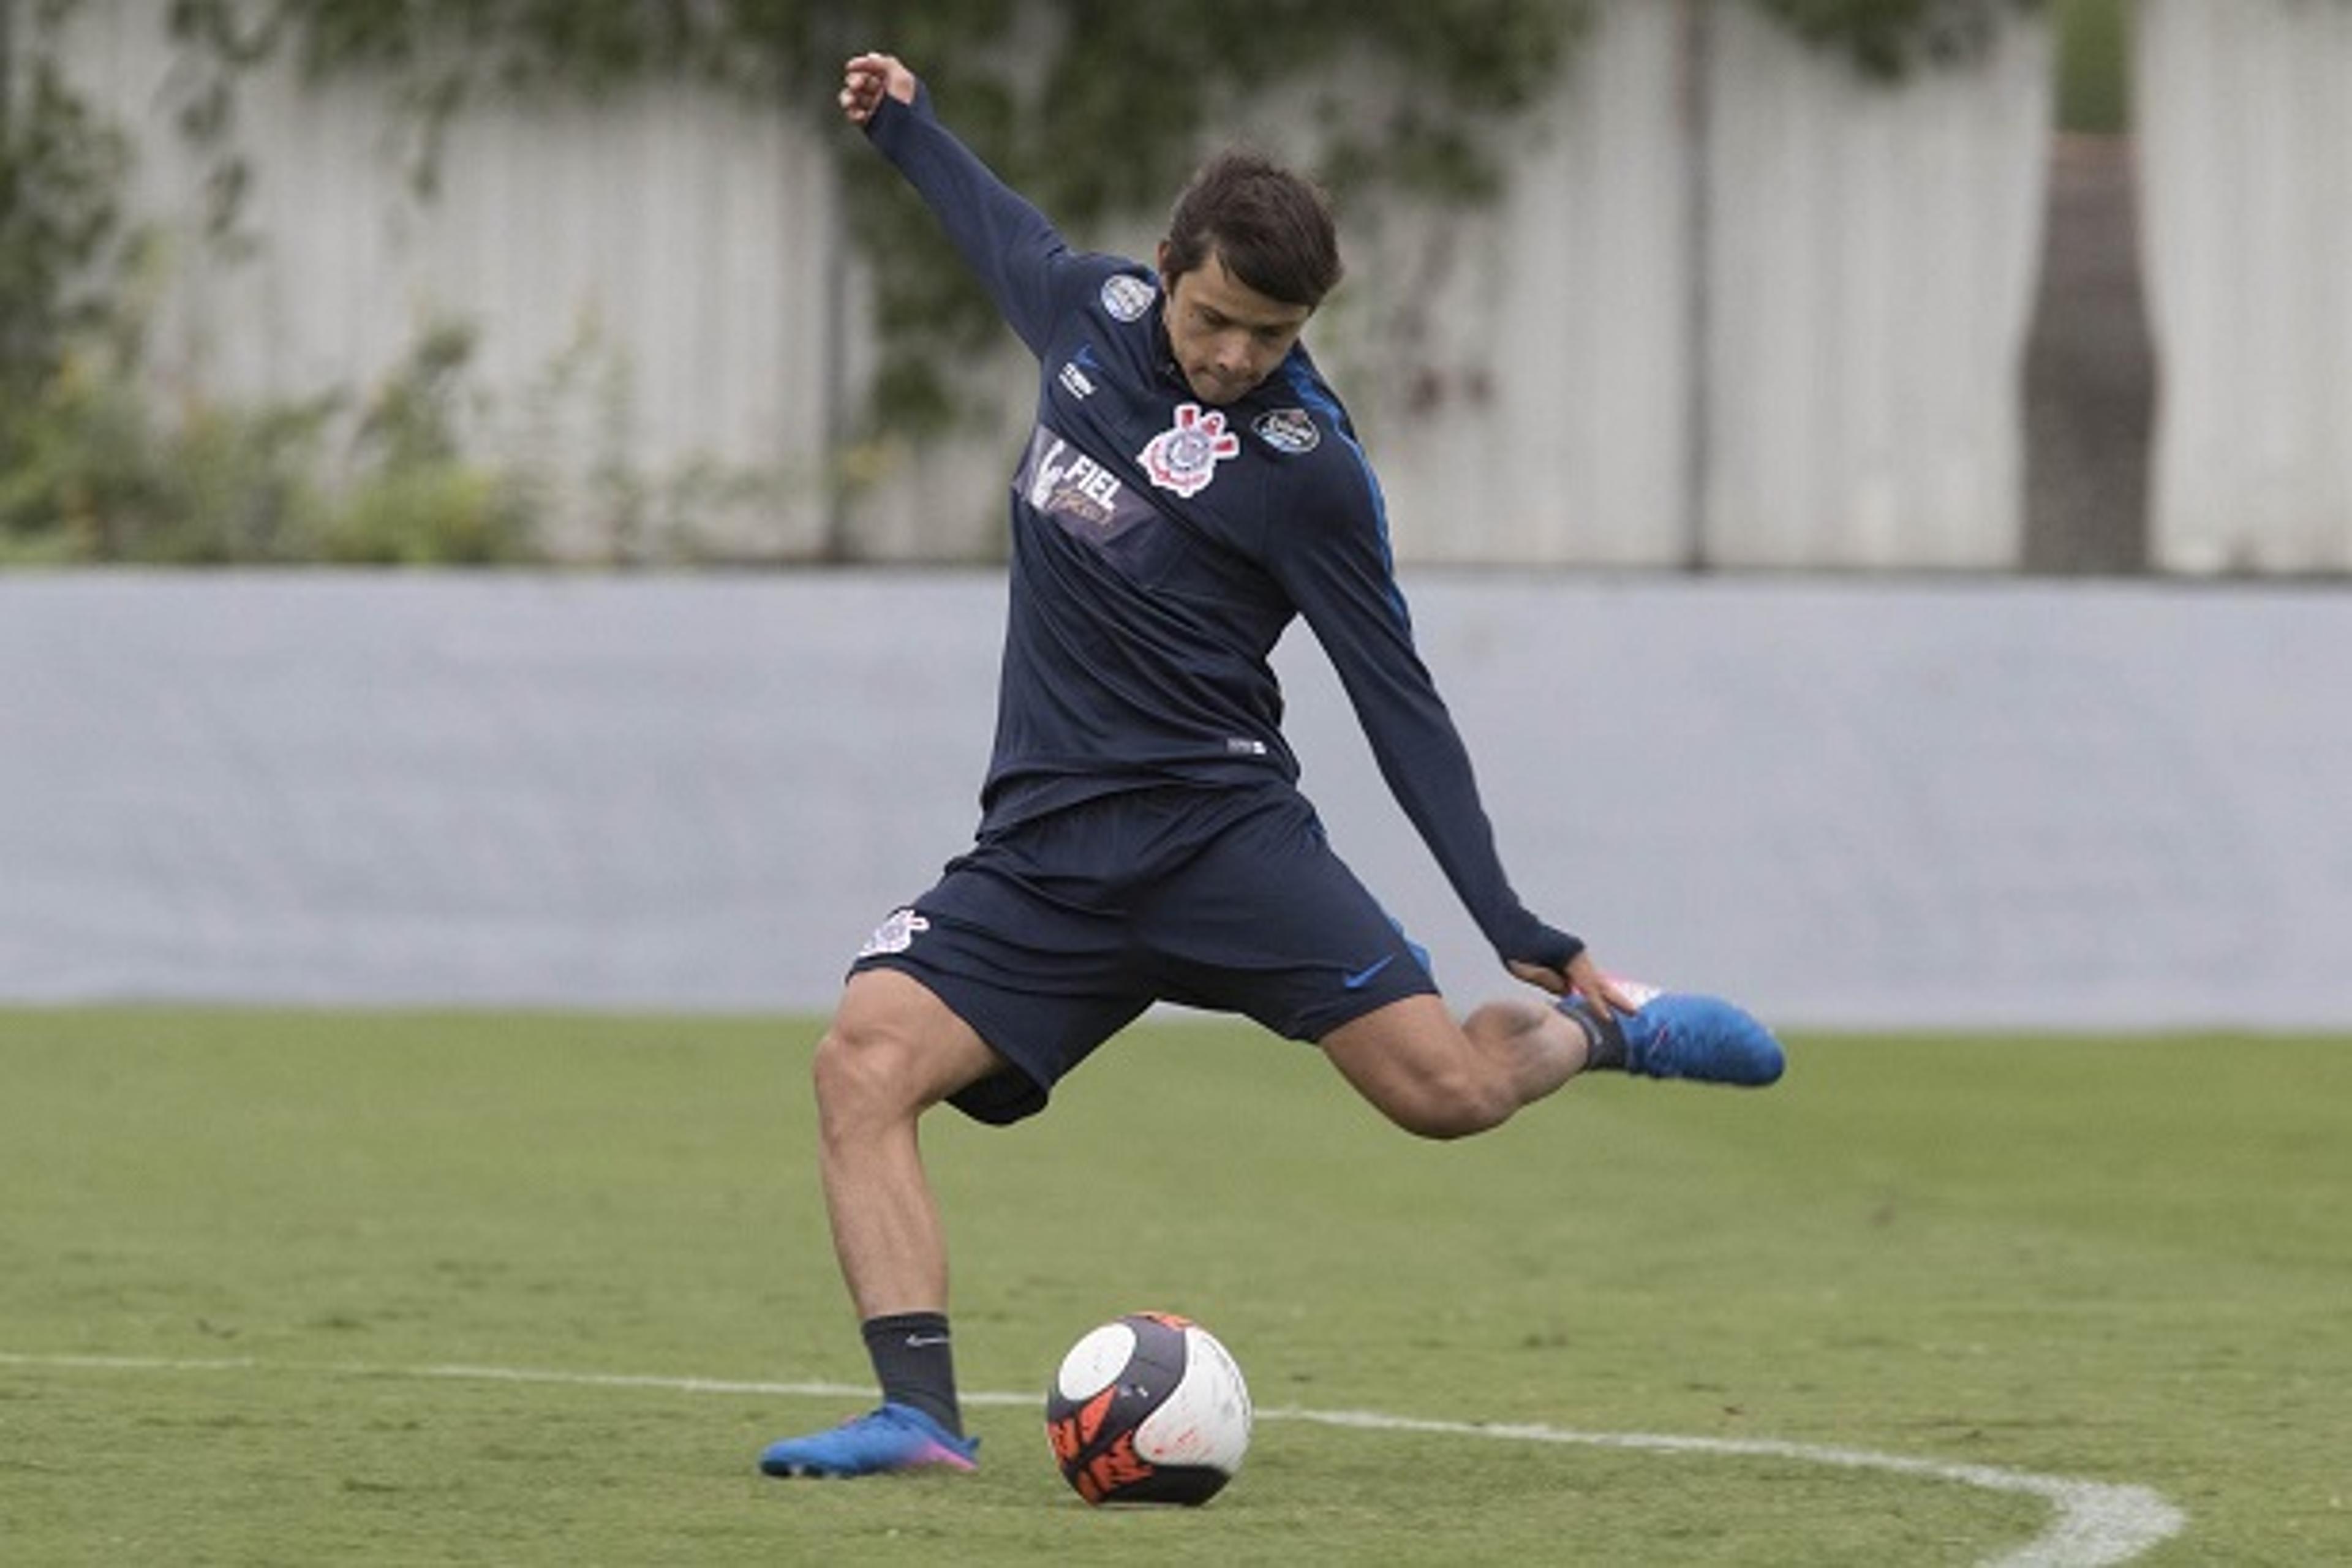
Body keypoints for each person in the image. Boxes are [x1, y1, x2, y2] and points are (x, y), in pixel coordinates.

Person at [760, 51, 1784, 1480]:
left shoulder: (1311, 468)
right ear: (1169, 269)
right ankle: (920, 1417)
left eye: (1276, 332)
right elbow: (1000, 229)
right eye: (1218, 318)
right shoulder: (1088, 317)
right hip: (1047, 851)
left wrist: (1514, 922)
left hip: (1222, 838)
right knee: (860, 1062)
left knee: (1444, 1096)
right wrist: (903, 125)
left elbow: (1397, 698)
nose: (1239, 355)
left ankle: (1613, 1031)